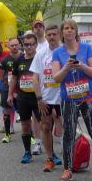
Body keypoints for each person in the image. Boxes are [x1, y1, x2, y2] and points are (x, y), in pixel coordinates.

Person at [52, 19, 92, 181]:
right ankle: (67, 169)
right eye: (66, 28)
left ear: (76, 32)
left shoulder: (86, 48)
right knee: (69, 133)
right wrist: (66, 67)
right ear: (62, 32)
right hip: (69, 98)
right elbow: (56, 78)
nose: (69, 31)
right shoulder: (57, 52)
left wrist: (82, 66)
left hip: (88, 96)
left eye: (72, 28)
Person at [29, 21, 62, 171]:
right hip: (46, 98)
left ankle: (69, 158)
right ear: (46, 36)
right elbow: (35, 78)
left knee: (66, 128)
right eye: (49, 35)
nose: (52, 37)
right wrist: (39, 98)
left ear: (59, 35)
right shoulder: (41, 54)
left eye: (54, 34)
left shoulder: (65, 51)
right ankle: (49, 158)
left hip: (63, 97)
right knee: (46, 127)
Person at [8, 32, 41, 163]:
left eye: (31, 44)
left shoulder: (41, 58)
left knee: (44, 125)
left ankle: (50, 154)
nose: (29, 47)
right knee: (25, 125)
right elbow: (14, 78)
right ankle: (27, 152)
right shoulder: (19, 60)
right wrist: (10, 94)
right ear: (23, 45)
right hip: (23, 97)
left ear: (36, 45)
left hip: (38, 97)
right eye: (26, 45)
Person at [0, 39, 20, 143]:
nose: (14, 47)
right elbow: (1, 76)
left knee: (26, 112)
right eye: (12, 45)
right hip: (7, 89)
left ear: (19, 45)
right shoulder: (4, 60)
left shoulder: (24, 57)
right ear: (8, 47)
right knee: (6, 110)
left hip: (22, 89)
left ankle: (31, 136)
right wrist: (8, 88)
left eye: (16, 45)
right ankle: (7, 135)